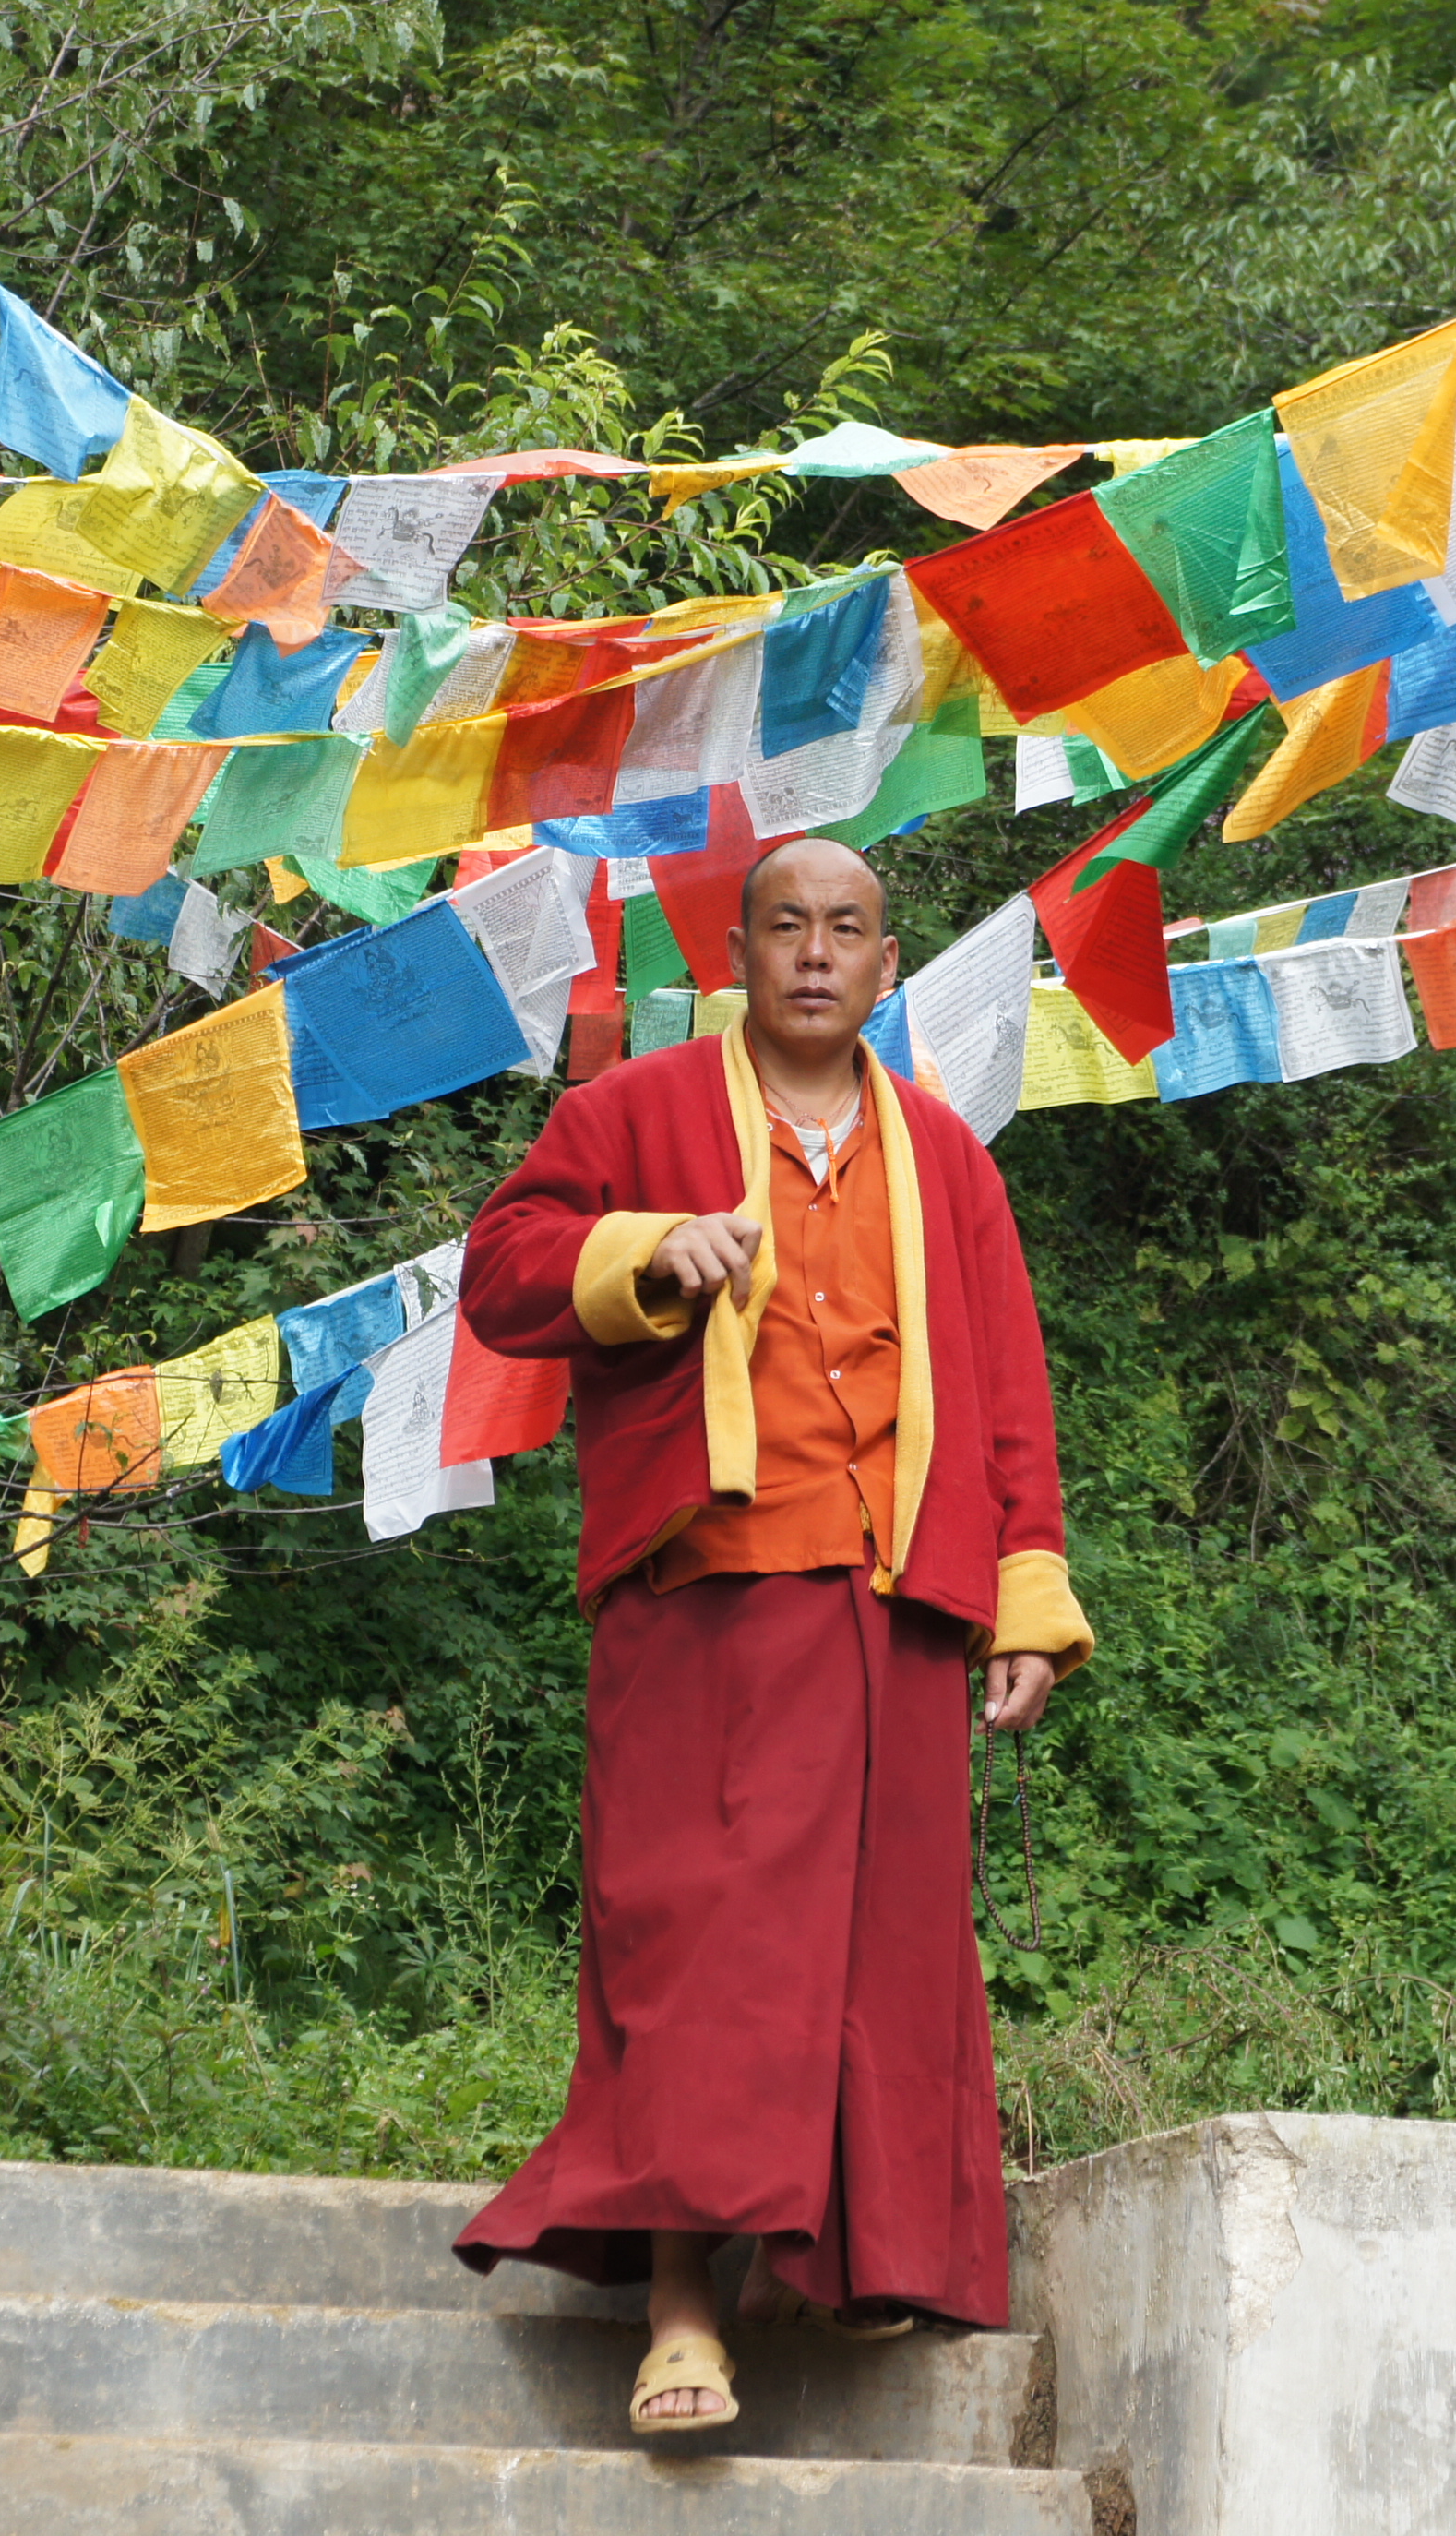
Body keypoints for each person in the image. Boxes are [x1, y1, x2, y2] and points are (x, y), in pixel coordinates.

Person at [448, 834, 1093, 2435]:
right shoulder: (634, 1115)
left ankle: (863, 2266)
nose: (818, 953)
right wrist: (646, 1253)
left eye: (850, 930)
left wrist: (1025, 1591)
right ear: (736, 950)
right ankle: (681, 2310)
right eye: (788, 926)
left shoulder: (949, 1160)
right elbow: (503, 1273)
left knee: (889, 1954)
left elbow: (1008, 1389)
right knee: (706, 1950)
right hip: (711, 1605)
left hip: (897, 1609)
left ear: (887, 964)